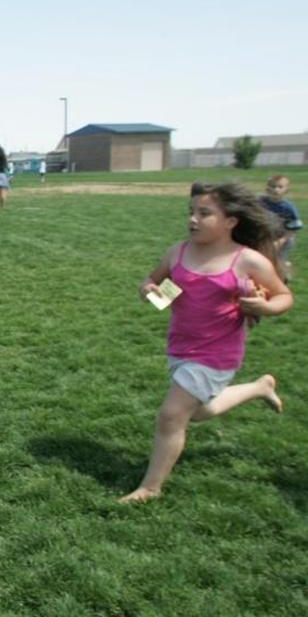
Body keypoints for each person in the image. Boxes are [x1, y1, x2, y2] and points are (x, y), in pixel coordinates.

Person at [120, 184, 292, 503]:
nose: (194, 219)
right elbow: (152, 282)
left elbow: (284, 296)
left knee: (171, 415)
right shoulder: (179, 251)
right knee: (196, 413)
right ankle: (259, 387)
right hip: (180, 347)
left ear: (231, 222)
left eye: (205, 213)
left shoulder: (247, 261)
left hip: (216, 354)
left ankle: (150, 488)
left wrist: (264, 307)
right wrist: (149, 291)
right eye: (191, 213)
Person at [259, 174, 303, 282]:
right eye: (273, 186)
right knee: (265, 258)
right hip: (267, 237)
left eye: (280, 187)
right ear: (267, 188)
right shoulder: (260, 202)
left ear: (286, 190)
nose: (275, 189)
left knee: (278, 260)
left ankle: (283, 278)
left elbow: (293, 229)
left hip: (284, 238)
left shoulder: (288, 208)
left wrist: (281, 241)